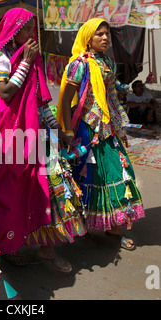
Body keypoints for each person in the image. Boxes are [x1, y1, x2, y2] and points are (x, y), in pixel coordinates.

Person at [0, 8, 86, 272]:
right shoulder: (0, 59)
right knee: (13, 196)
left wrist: (57, 129)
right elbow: (5, 94)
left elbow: (40, 103)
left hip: (38, 138)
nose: (32, 34)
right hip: (9, 141)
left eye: (33, 28)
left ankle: (47, 247)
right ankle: (7, 246)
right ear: (14, 32)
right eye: (27, 28)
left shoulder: (34, 61)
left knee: (51, 191)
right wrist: (25, 62)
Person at [56, 18, 145, 251]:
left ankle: (114, 228)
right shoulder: (79, 65)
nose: (105, 38)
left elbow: (112, 94)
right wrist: (66, 131)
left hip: (109, 128)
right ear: (88, 38)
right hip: (86, 128)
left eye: (107, 34)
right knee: (88, 178)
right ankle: (82, 226)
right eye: (99, 34)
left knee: (119, 173)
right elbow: (66, 99)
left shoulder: (108, 62)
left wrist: (120, 127)